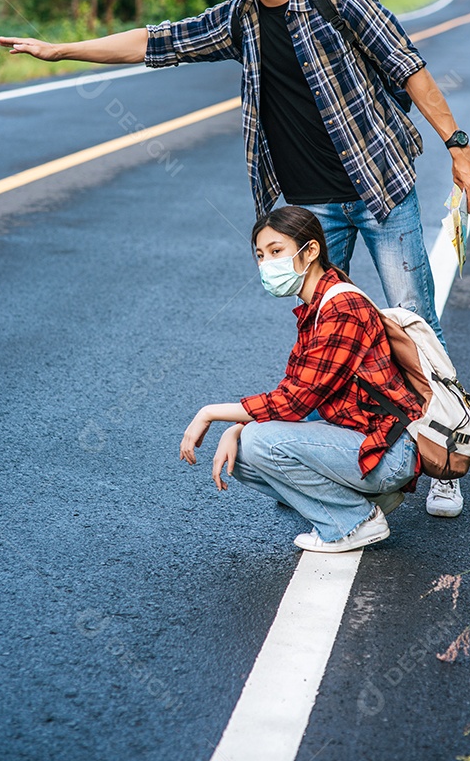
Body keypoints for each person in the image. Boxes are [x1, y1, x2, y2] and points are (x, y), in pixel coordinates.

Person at [0, 0, 470, 518]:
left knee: (412, 322)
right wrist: (60, 50)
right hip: (310, 210)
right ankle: (342, 459)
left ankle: (445, 455)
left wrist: (457, 144)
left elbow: (409, 68)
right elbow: (157, 41)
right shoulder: (239, 21)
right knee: (325, 334)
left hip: (379, 188)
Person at [179, 206, 424, 553]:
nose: (266, 264)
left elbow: (295, 402)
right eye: (261, 255)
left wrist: (210, 412)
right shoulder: (318, 305)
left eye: (277, 251)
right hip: (364, 441)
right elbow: (295, 391)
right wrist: (236, 428)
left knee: (259, 441)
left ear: (309, 251)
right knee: (243, 455)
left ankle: (353, 522)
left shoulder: (341, 308)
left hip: (388, 451)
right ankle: (357, 505)